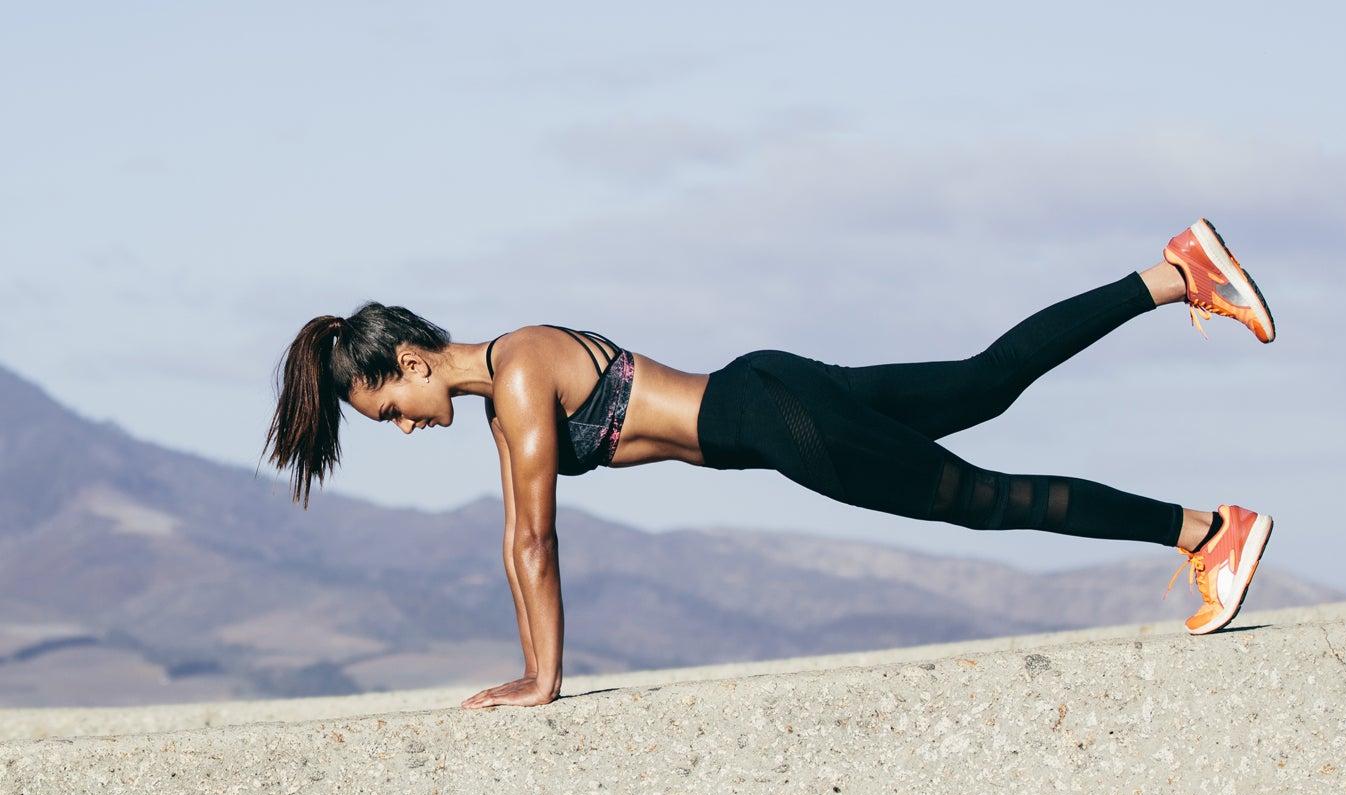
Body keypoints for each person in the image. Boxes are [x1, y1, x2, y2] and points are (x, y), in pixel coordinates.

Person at [264, 219, 1276, 709]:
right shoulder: (507, 391)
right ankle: (1176, 271)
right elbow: (513, 539)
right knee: (979, 385)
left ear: (408, 362)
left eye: (388, 407)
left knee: (981, 499)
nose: (401, 426)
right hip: (767, 394)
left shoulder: (520, 375)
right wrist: (536, 666)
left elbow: (529, 540)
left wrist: (542, 679)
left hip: (776, 422)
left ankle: (1205, 532)